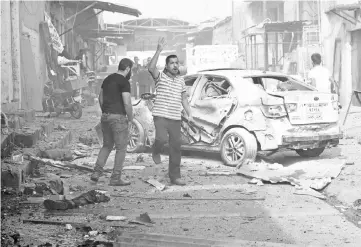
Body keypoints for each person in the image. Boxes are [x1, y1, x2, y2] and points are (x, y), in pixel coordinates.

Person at [148, 37, 193, 186]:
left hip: (175, 118)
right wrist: (159, 50)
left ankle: (175, 176)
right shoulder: (160, 76)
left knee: (176, 147)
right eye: (172, 63)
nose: (175, 65)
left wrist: (190, 113)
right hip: (160, 115)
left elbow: (184, 99)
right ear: (166, 66)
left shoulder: (181, 80)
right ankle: (156, 150)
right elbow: (150, 68)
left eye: (177, 63)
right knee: (161, 139)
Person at [90, 58, 134, 186]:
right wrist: (130, 118)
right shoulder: (124, 82)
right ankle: (115, 178)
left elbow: (100, 97)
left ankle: (96, 173)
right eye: (131, 69)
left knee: (107, 145)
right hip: (118, 118)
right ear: (128, 69)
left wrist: (106, 112)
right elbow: (127, 102)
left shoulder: (108, 79)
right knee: (121, 148)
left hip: (105, 117)